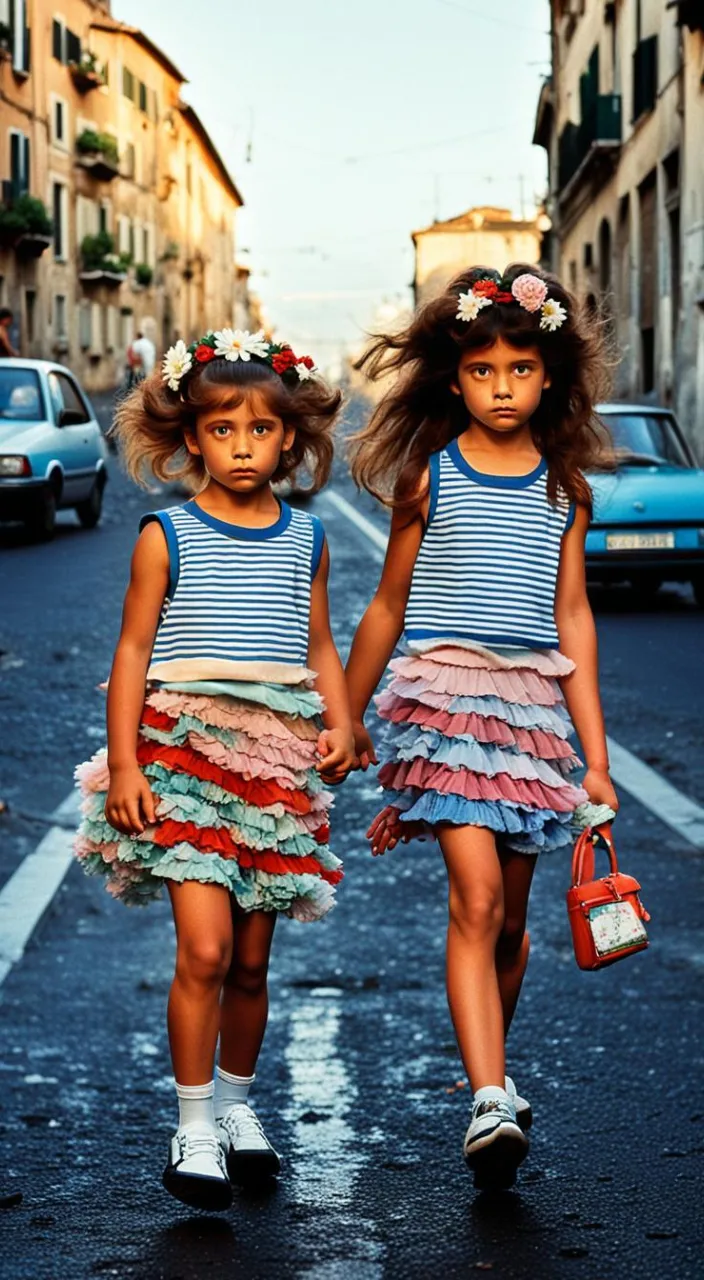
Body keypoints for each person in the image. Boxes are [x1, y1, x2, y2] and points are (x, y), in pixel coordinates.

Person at [345, 265, 619, 1192]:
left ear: (551, 377)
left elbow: (574, 616)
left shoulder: (564, 487)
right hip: (447, 701)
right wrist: (345, 711)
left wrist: (597, 762)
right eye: (482, 370)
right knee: (476, 901)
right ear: (453, 378)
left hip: (533, 714)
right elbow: (387, 605)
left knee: (514, 927)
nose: (502, 387)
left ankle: (494, 1067)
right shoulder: (430, 475)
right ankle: (490, 1093)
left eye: (521, 368)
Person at [74, 327, 355, 1211]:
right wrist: (126, 764)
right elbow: (132, 651)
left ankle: (237, 1105)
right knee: (203, 947)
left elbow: (316, 640)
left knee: (252, 962)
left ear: (290, 439)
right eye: (224, 431)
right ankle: (193, 1122)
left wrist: (342, 719)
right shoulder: (168, 534)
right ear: (192, 437)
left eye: (262, 431)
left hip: (276, 764)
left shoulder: (306, 538)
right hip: (187, 755)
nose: (243, 447)